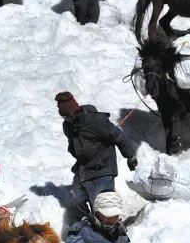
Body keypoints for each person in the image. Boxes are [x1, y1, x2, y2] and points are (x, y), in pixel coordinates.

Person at [56, 91, 138, 219]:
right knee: (77, 201)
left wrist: (130, 156)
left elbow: (118, 136)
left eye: (69, 115)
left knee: (102, 206)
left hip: (102, 168)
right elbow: (73, 144)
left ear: (76, 111)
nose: (68, 119)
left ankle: (110, 229)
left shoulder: (95, 121)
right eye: (64, 117)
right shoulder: (68, 126)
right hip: (83, 169)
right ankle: (90, 224)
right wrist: (73, 149)